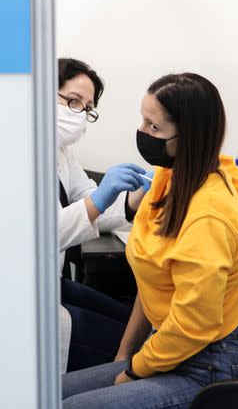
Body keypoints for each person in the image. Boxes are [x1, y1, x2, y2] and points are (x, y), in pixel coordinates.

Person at [62, 73, 238, 409]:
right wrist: (125, 355)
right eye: (143, 120)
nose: (143, 132)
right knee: (40, 393)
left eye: (153, 127)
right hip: (169, 349)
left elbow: (195, 323)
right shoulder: (170, 178)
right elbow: (154, 279)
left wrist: (136, 370)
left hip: (209, 364)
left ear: (188, 137)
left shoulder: (209, 211)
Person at [55, 58, 151, 373]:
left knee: (129, 323)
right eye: (71, 101)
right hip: (21, 297)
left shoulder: (60, 150)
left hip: (49, 284)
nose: (79, 114)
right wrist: (99, 198)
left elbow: (90, 201)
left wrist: (133, 201)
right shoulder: (15, 150)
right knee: (126, 345)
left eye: (86, 108)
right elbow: (46, 235)